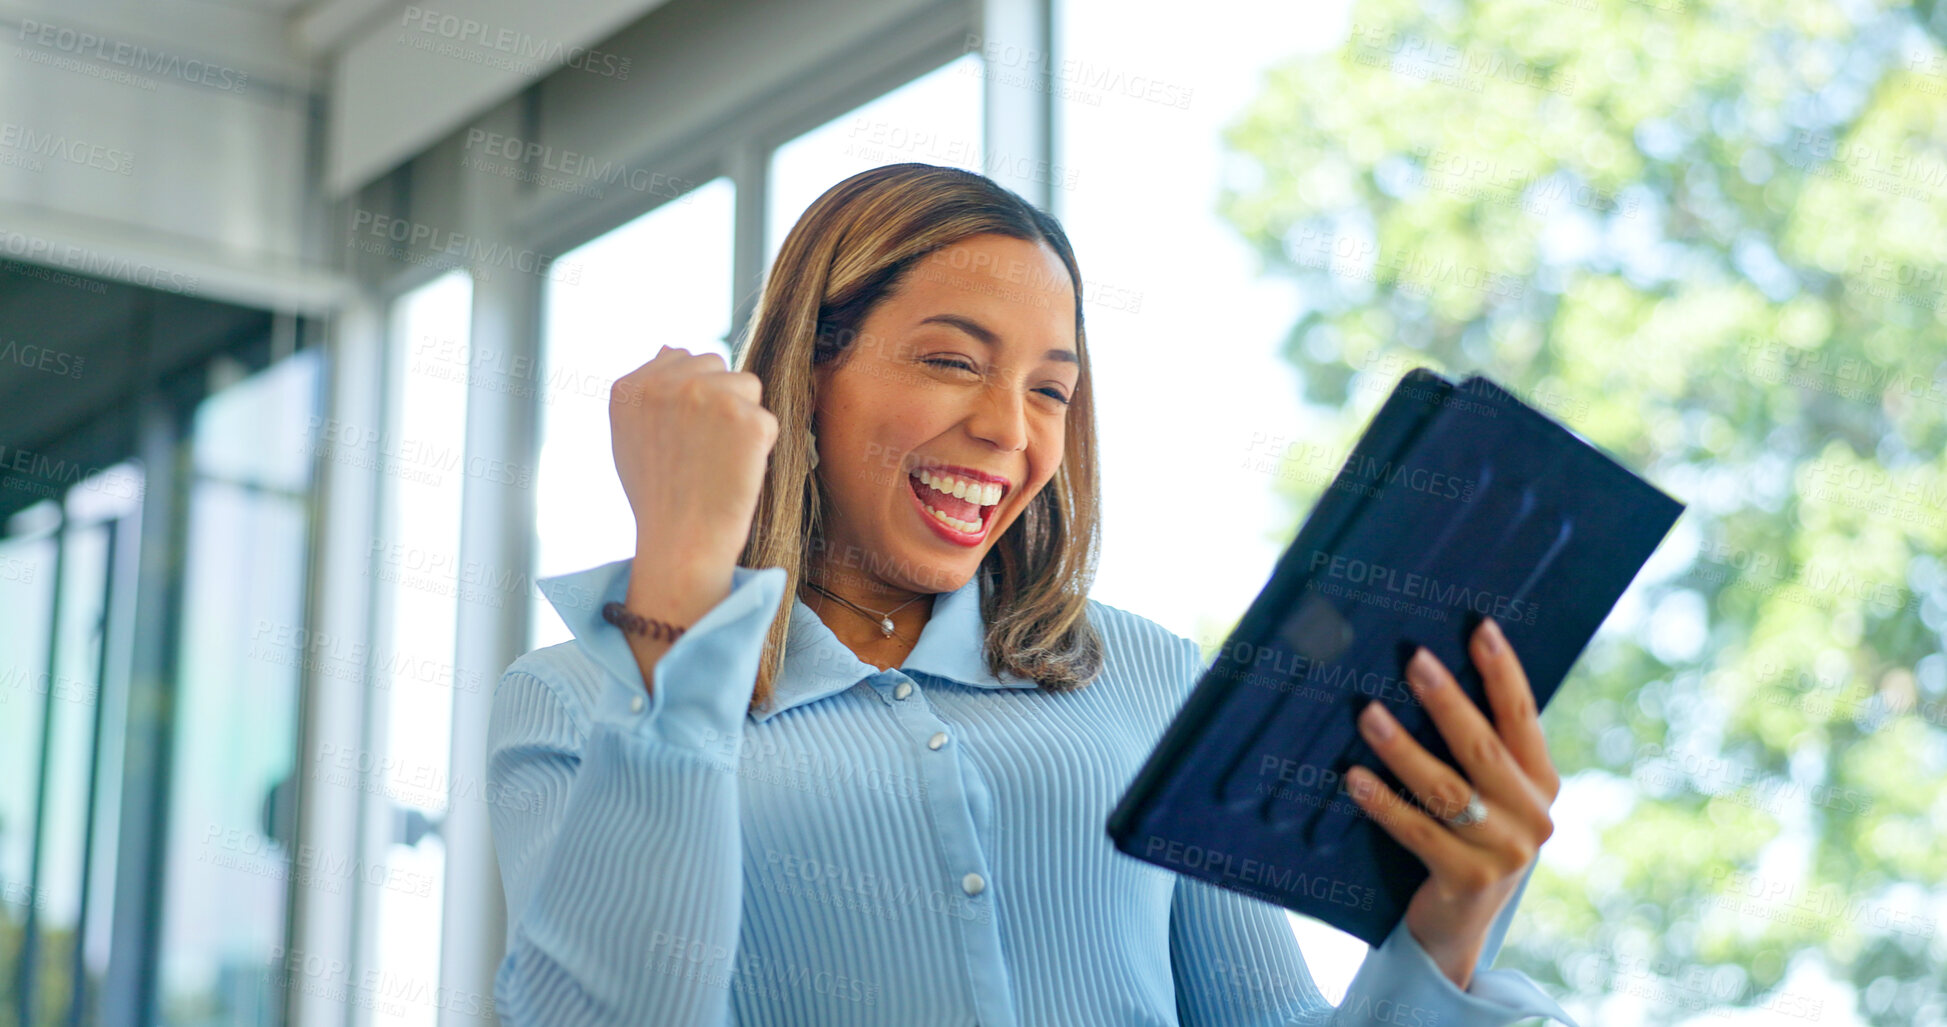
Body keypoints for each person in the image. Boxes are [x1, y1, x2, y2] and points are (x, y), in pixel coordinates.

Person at [485, 162, 1578, 1026]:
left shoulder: (1142, 671)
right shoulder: (576, 697)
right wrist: (679, 570)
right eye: (954, 363)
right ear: (807, 376)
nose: (1011, 431)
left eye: (1050, 388)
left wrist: (1449, 927)